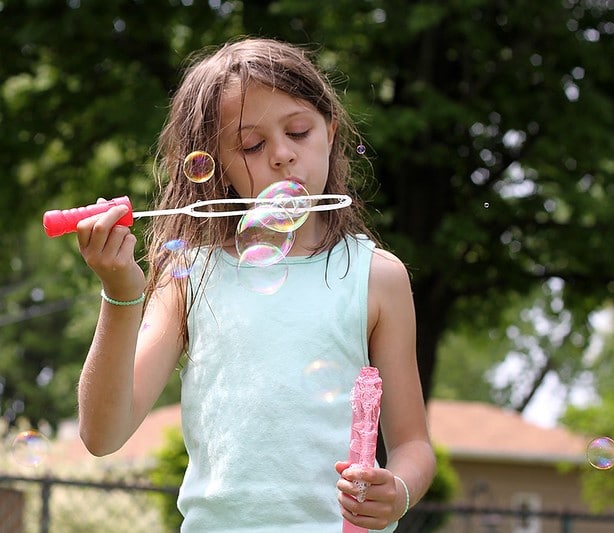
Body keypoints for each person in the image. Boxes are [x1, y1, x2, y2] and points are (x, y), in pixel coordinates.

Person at [74, 37, 436, 532]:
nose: (283, 156)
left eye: (299, 131)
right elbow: (103, 433)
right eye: (251, 145)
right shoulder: (190, 277)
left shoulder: (377, 276)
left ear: (330, 132)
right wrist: (120, 294)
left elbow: (413, 444)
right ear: (217, 164)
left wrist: (399, 490)